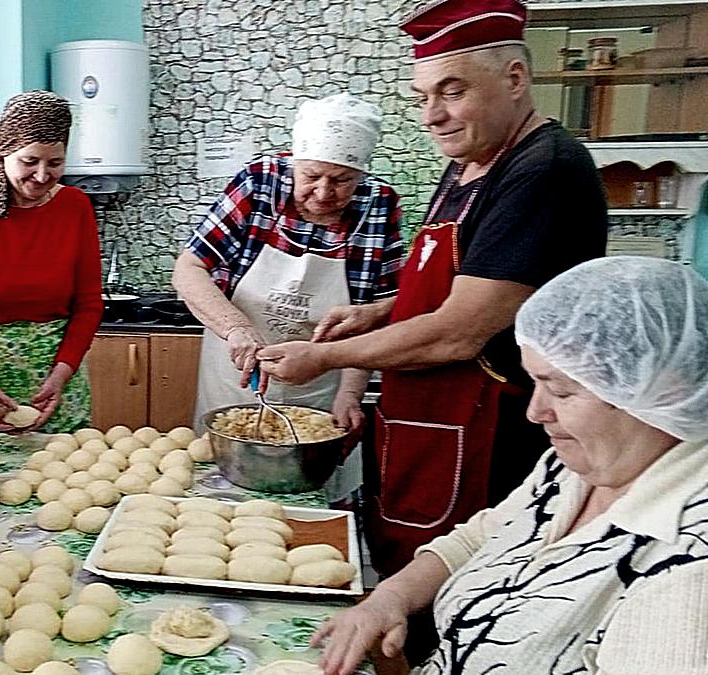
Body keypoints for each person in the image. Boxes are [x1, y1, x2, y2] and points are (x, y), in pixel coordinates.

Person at [258, 0, 608, 581]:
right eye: (423, 97)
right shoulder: (472, 161)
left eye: (452, 91)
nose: (432, 116)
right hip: (427, 427)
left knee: (456, 590)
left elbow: (460, 332)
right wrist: (379, 312)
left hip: (486, 439)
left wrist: (325, 358)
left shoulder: (543, 172)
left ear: (515, 79)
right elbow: (454, 287)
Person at [312, 256, 708, 675]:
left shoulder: (688, 567)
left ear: (662, 389)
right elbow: (481, 538)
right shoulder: (572, 468)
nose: (535, 412)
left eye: (561, 391)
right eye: (536, 383)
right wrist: (389, 599)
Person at [172, 93, 403, 504]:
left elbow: (375, 313)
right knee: (220, 495)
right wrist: (236, 329)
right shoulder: (258, 182)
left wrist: (350, 394)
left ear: (361, 174)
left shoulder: (379, 205)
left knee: (309, 503)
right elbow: (188, 269)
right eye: (312, 175)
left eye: (342, 181)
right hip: (235, 374)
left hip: (320, 391)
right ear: (295, 161)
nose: (323, 192)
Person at [0, 90, 104, 445]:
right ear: (5, 150)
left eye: (55, 163)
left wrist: (61, 375)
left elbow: (89, 304)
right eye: (29, 161)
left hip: (58, 380)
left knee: (67, 470)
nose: (42, 175)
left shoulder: (75, 207)